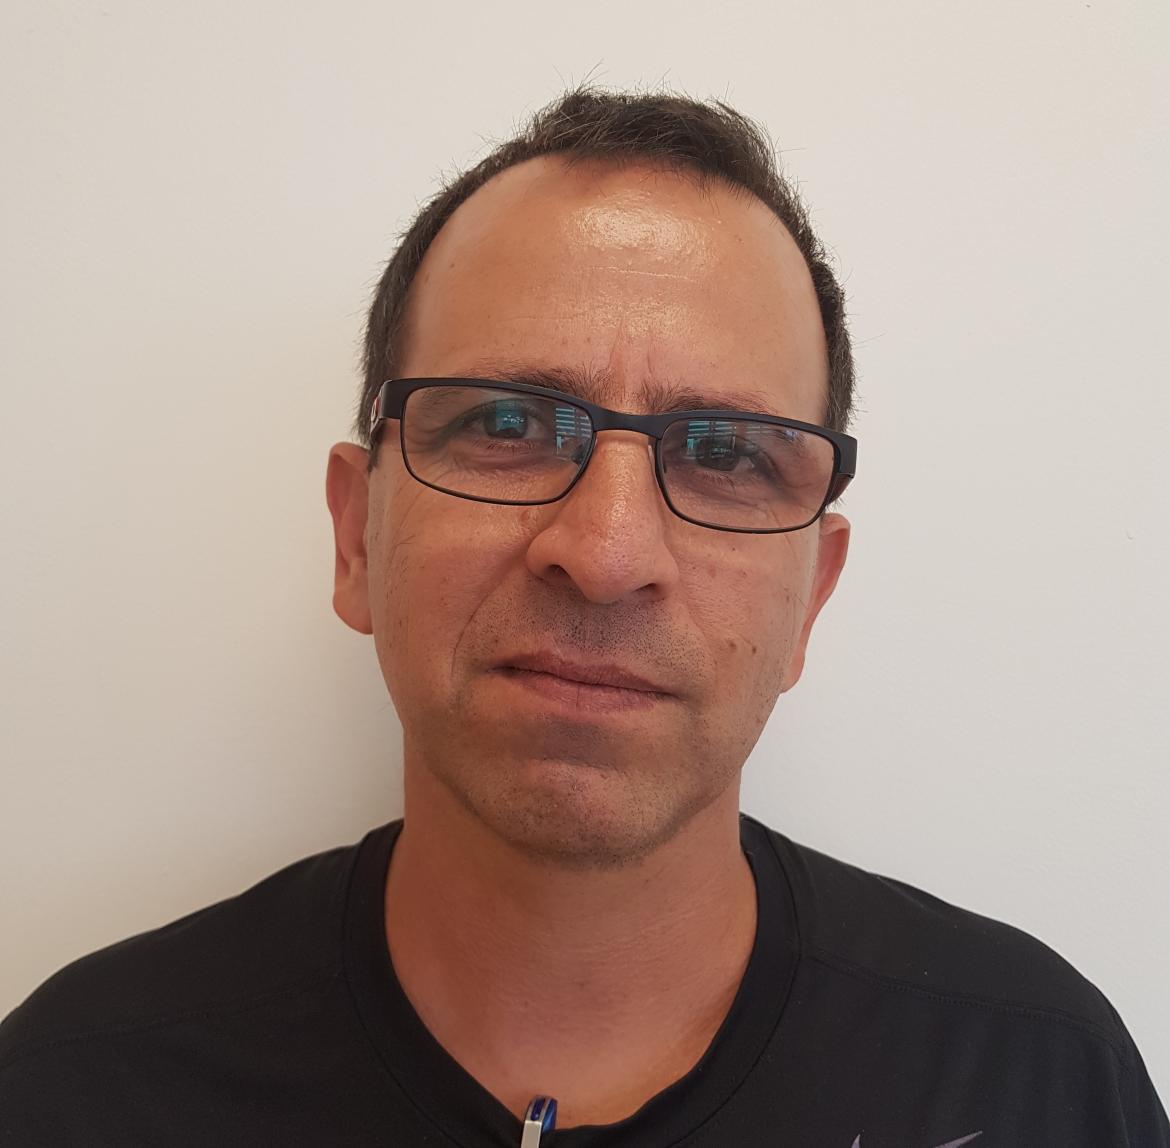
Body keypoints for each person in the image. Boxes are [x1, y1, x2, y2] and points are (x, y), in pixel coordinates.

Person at [0, 87, 1165, 1147]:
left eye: (726, 453)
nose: (606, 555)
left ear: (813, 592)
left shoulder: (1038, 1084)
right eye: (507, 424)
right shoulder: (73, 1095)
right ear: (357, 537)